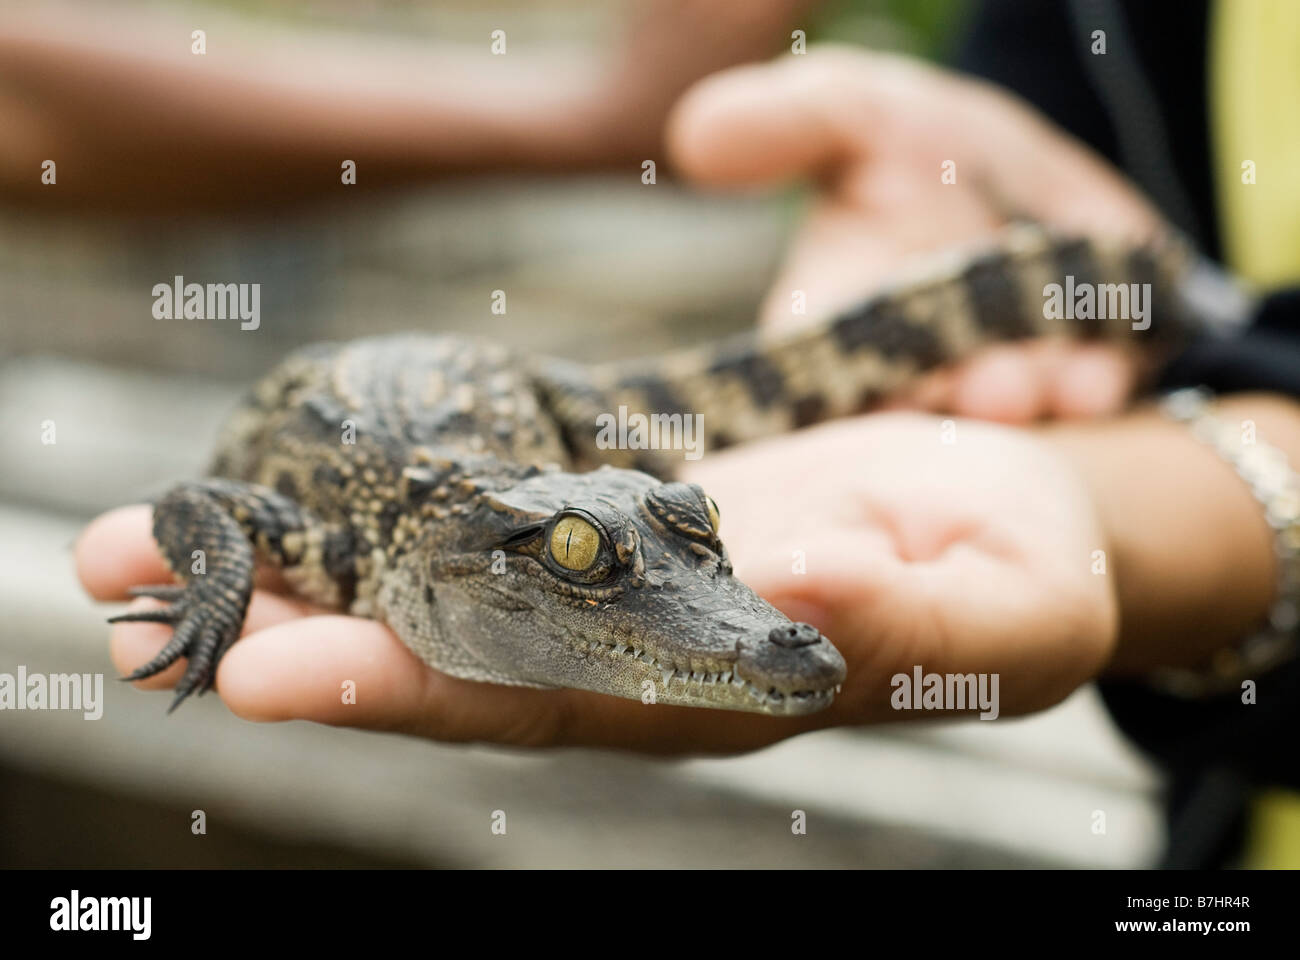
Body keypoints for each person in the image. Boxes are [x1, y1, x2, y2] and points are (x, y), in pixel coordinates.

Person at [61, 2, 1300, 863]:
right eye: (595, 564)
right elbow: (196, 509)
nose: (748, 627)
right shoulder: (357, 553)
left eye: (677, 540)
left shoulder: (544, 496)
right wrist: (212, 599)